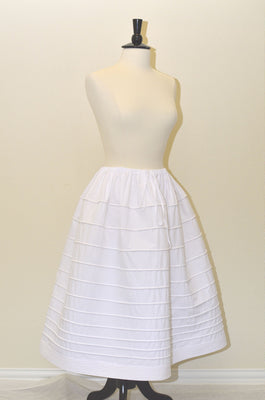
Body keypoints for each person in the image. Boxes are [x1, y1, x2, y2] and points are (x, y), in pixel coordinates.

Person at [40, 43, 227, 382]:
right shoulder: (98, 79)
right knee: (109, 285)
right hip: (112, 199)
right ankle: (117, 364)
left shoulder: (169, 83)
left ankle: (145, 362)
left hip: (160, 197)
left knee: (154, 286)